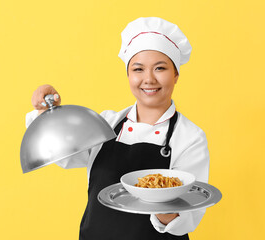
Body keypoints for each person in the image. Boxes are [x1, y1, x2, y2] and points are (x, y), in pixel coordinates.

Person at [26, 17, 210, 240]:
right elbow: (63, 154)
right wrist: (47, 110)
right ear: (128, 75)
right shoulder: (105, 123)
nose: (149, 79)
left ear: (176, 74)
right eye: (138, 69)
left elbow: (187, 220)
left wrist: (161, 199)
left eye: (160, 68)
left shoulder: (190, 137)